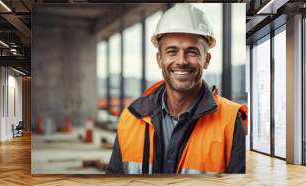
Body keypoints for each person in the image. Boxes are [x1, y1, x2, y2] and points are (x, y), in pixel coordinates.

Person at [106, 4, 247, 174]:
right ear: (159, 59)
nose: (181, 61)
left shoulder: (231, 122)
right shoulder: (132, 118)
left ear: (207, 60)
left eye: (192, 52)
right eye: (172, 51)